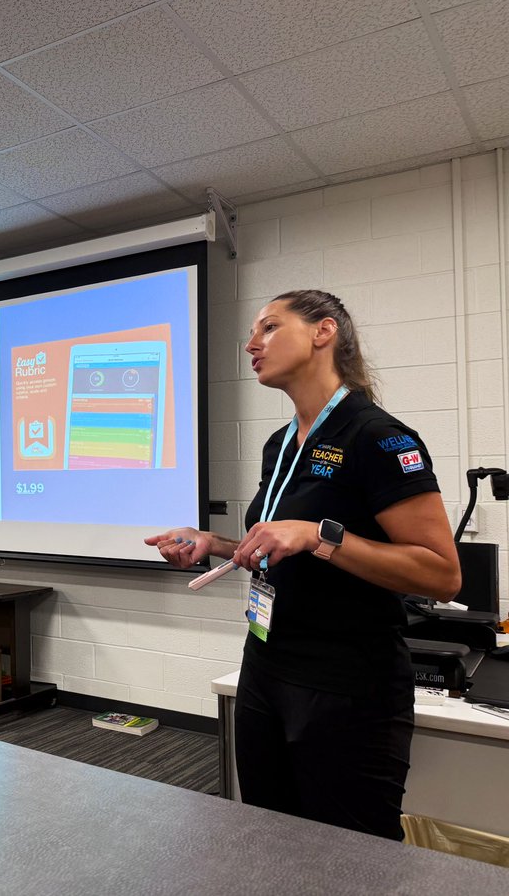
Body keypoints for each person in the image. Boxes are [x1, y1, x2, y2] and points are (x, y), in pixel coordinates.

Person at [145, 289, 460, 841]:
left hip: (347, 681)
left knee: (349, 855)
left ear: (323, 332)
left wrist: (320, 536)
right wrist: (214, 543)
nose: (251, 344)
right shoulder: (281, 443)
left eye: (268, 327)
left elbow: (441, 573)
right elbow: (277, 544)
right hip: (267, 664)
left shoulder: (378, 437)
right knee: (272, 836)